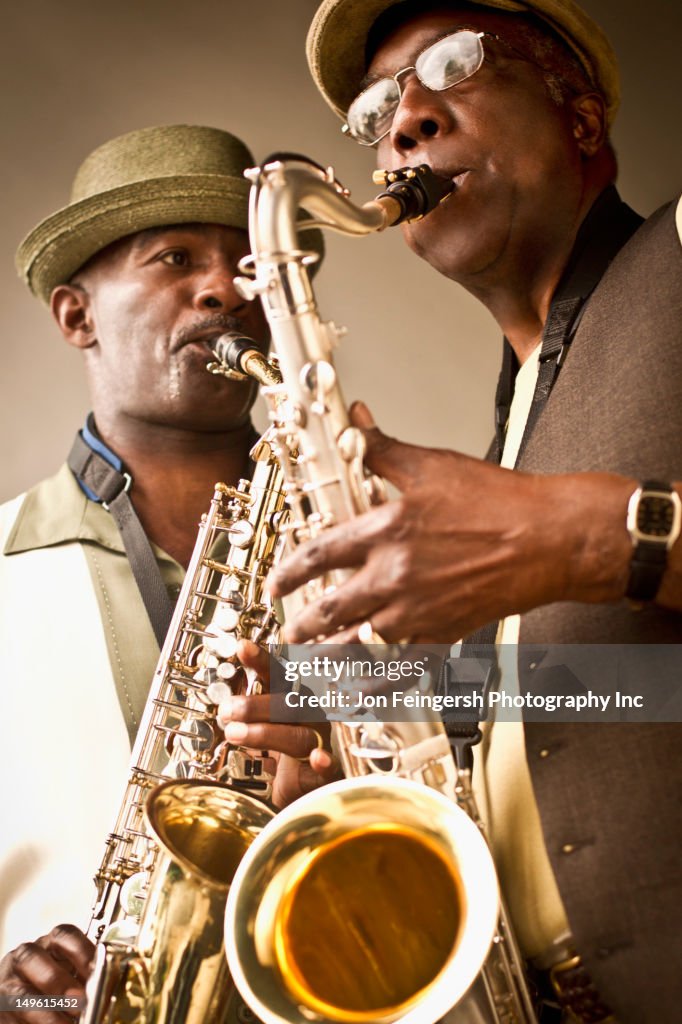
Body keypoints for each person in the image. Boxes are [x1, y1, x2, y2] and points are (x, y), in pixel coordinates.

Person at [258, 1, 682, 1021]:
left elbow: (601, 556)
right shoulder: (513, 417)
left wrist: (591, 537)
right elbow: (630, 688)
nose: (402, 121)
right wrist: (353, 701)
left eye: (452, 66)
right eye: (374, 111)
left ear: (579, 112)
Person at [0, 123, 333, 1012]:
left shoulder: (378, 541)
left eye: (252, 268)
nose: (225, 288)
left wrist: (384, 724)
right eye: (175, 257)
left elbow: (607, 695)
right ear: (77, 315)